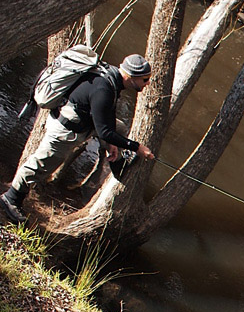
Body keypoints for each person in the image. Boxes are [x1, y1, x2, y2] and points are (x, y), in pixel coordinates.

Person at [0, 54, 156, 223]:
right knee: (41, 165)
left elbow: (108, 115)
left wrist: (111, 143)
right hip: (64, 130)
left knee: (118, 128)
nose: (148, 83)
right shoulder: (104, 89)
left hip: (84, 122)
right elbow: (104, 132)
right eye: (145, 79)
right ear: (131, 77)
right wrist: (137, 147)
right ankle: (11, 198)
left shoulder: (112, 79)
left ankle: (118, 164)